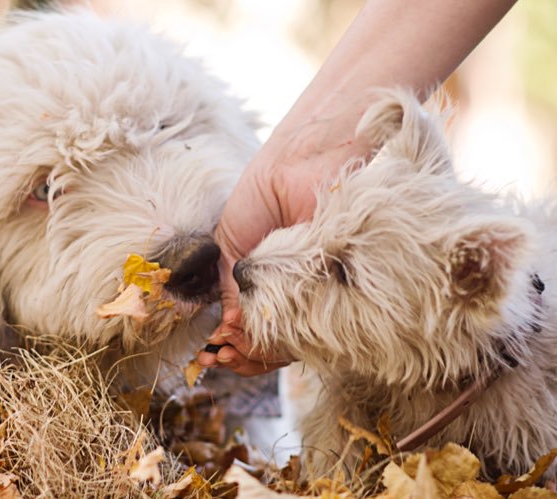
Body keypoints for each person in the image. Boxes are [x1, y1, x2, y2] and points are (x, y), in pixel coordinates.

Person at [196, 0, 518, 376]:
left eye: (343, 273)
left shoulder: (477, 265)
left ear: (471, 283)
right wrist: (293, 163)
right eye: (317, 224)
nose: (254, 266)